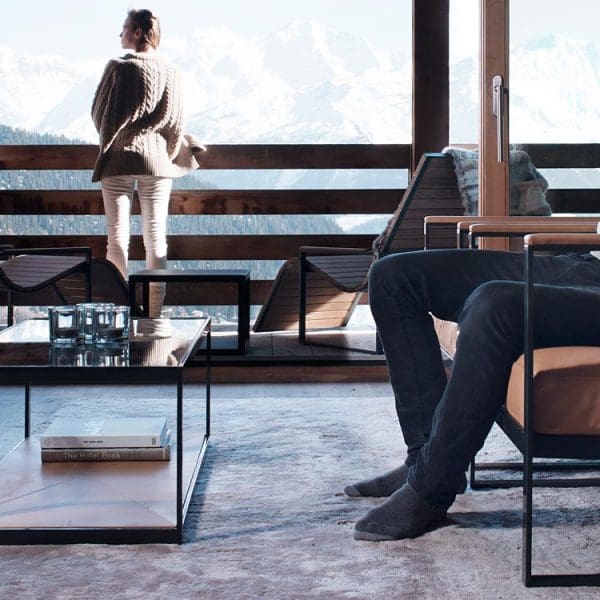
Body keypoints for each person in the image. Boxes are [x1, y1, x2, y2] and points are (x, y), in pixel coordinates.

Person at [346, 247, 600, 541]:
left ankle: (432, 486)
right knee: (392, 277)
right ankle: (423, 454)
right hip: (587, 263)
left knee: (492, 305)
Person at [91, 9, 202, 334]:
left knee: (117, 239)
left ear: (137, 32)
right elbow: (177, 124)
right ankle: (155, 318)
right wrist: (163, 151)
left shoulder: (118, 68)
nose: (120, 34)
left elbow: (100, 114)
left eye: (124, 28)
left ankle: (117, 318)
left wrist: (117, 139)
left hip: (119, 160)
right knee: (156, 239)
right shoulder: (173, 73)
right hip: (157, 162)